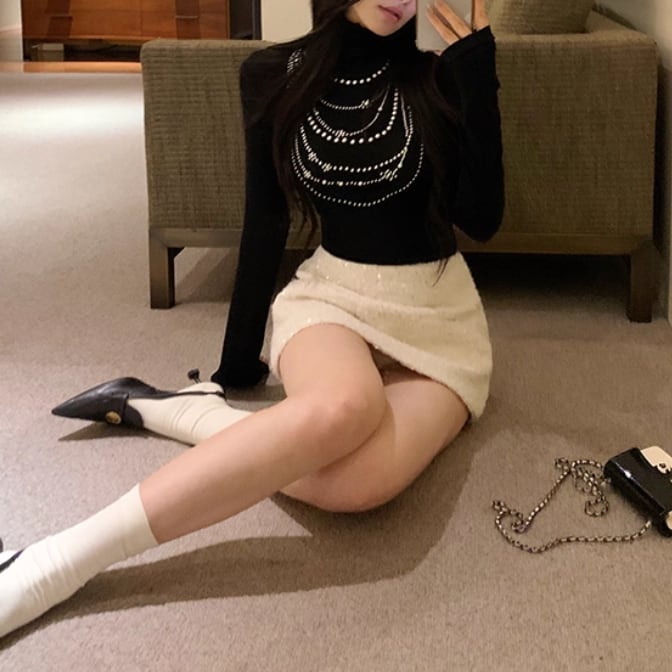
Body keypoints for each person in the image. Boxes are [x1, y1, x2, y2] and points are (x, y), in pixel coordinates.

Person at [0, 0, 503, 638]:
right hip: (334, 297)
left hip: (437, 318)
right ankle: (53, 561)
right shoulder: (272, 73)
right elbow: (265, 221)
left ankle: (190, 415)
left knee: (357, 485)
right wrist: (237, 363)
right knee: (343, 409)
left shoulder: (441, 74)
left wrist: (477, 72)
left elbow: (481, 220)